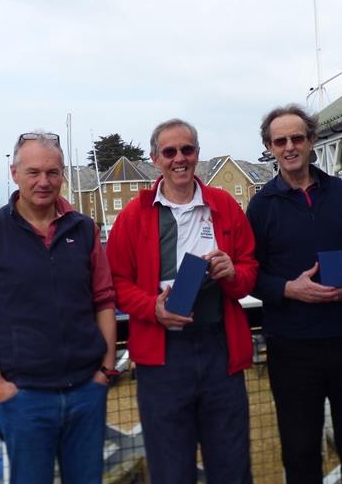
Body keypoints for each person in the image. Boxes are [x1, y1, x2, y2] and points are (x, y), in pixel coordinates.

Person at [0, 131, 117, 484]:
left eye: (53, 172)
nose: (44, 182)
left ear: (63, 174)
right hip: (24, 398)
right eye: (33, 172)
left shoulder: (85, 230)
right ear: (14, 173)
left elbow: (104, 301)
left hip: (86, 393)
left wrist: (105, 373)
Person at [106, 118, 257, 484]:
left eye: (187, 150)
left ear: (197, 155)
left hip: (220, 348)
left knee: (232, 465)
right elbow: (116, 282)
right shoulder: (134, 214)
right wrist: (150, 307)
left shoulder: (224, 205)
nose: (179, 159)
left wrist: (233, 273)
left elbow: (251, 267)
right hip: (162, 357)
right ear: (155, 159)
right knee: (171, 469)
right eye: (169, 151)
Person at [246, 104, 342, 484]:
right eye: (280, 141)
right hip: (293, 348)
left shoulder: (340, 193)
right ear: (270, 147)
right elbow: (250, 273)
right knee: (301, 454)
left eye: (297, 138)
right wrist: (289, 289)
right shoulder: (261, 206)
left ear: (311, 141)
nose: (289, 146)